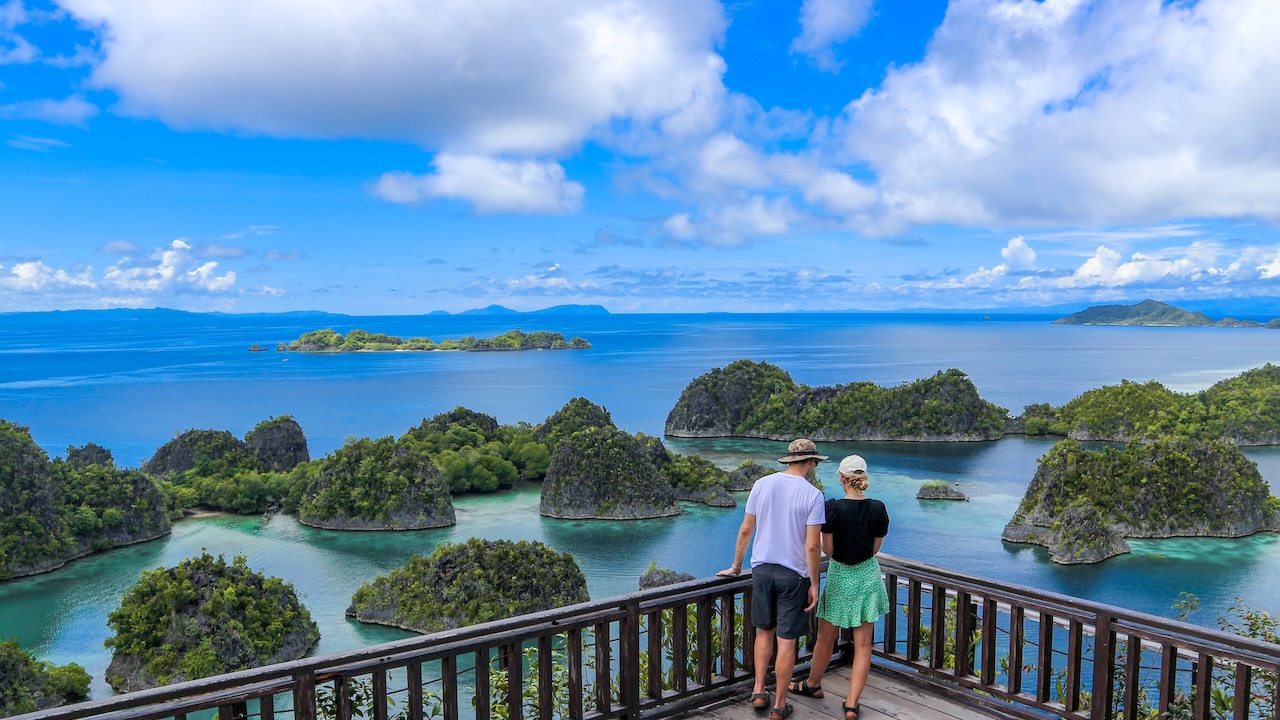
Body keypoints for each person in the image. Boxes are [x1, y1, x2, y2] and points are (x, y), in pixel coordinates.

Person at [718, 438, 827, 720]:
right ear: (811, 462)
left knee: (763, 632)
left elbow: (746, 529)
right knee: (787, 640)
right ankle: (779, 705)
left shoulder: (762, 484)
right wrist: (814, 584)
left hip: (763, 570)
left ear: (789, 460)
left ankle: (757, 690)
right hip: (793, 574)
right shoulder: (814, 495)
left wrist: (736, 565)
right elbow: (813, 546)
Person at [786, 454, 890, 720]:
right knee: (863, 644)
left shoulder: (832, 508)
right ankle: (852, 703)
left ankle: (813, 684)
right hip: (867, 575)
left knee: (825, 637)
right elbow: (875, 549)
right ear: (863, 479)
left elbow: (828, 550)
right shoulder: (878, 508)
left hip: (841, 574)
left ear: (842, 479)